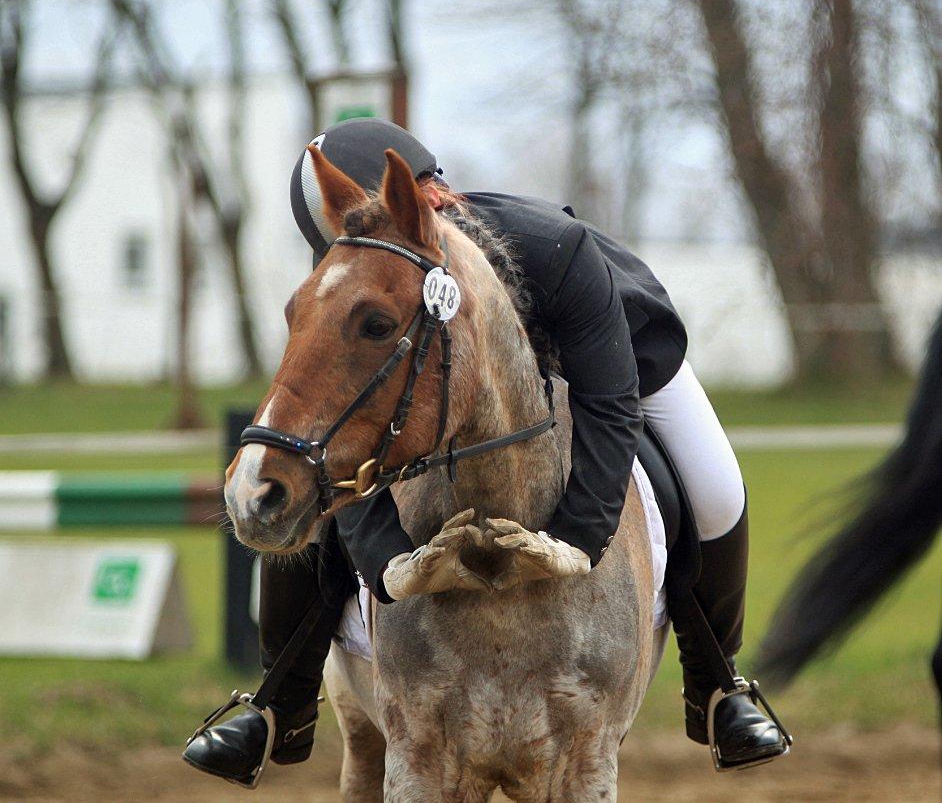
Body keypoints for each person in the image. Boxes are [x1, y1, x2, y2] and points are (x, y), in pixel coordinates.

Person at [183, 118, 787, 784]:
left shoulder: (557, 249)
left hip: (621, 356)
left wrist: (576, 539)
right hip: (432, 364)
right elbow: (354, 446)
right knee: (310, 478)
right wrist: (391, 567)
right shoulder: (375, 287)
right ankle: (280, 701)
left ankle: (718, 686)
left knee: (714, 487)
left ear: (423, 198)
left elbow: (610, 408)